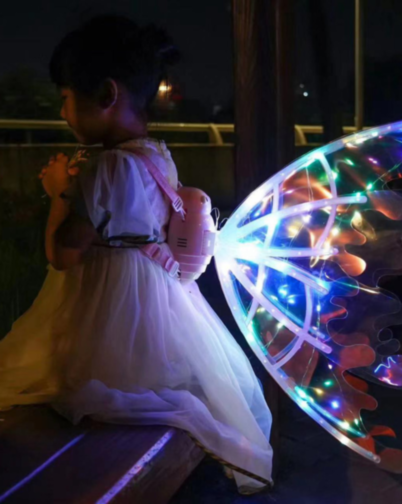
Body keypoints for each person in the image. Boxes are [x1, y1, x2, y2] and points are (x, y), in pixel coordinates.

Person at [0, 15, 273, 494]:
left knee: (77, 387)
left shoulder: (105, 169)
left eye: (66, 98)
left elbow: (63, 254)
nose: (63, 112)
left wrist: (59, 193)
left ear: (106, 94)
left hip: (106, 315)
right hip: (158, 306)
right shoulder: (157, 156)